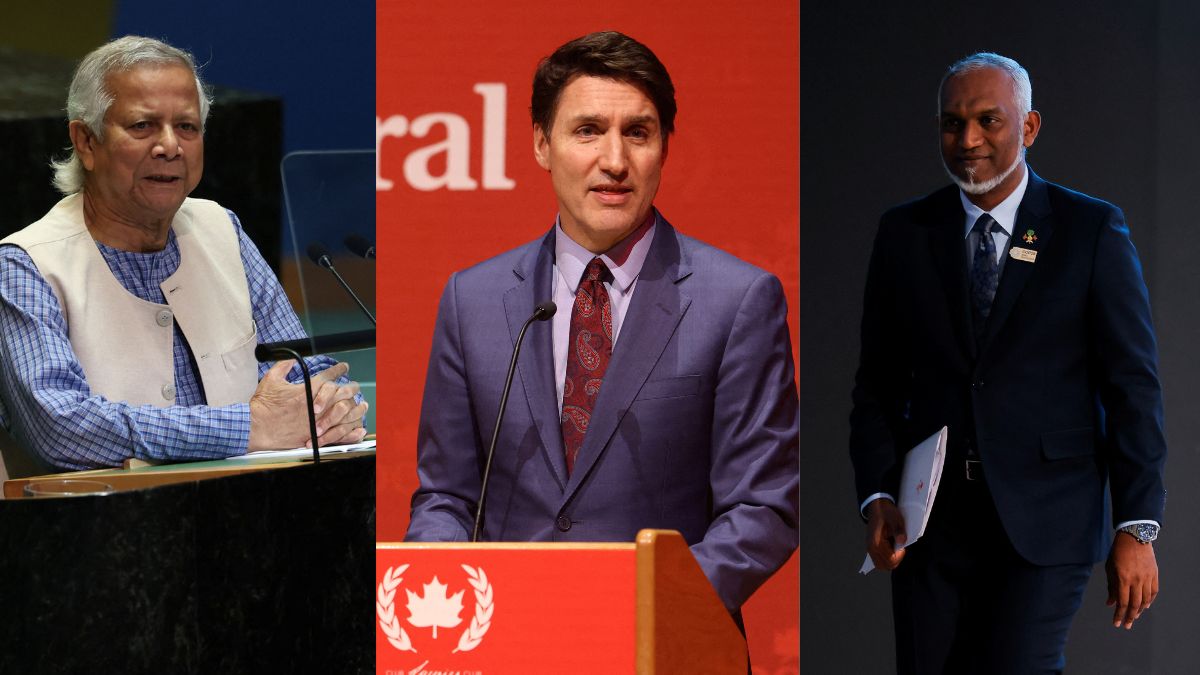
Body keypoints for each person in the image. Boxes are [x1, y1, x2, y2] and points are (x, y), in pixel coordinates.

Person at [405, 31, 798, 613]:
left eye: (637, 133)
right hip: (510, 634)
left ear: (665, 145)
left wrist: (641, 604)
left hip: (662, 637)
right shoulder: (474, 300)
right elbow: (446, 497)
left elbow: (763, 508)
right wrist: (448, 602)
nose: (614, 162)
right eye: (588, 130)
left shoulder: (738, 300)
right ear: (541, 143)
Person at [849, 52, 1166, 674]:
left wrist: (1137, 525)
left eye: (988, 121)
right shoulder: (905, 232)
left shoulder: (1090, 230)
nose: (967, 141)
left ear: (1030, 127)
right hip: (930, 526)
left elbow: (1133, 387)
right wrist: (878, 493)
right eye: (951, 123)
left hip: (1046, 521)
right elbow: (876, 383)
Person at [0, 36, 368, 475]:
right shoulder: (25, 264)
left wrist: (333, 405)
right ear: (86, 141)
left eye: (187, 127)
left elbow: (301, 369)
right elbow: (60, 428)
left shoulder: (221, 228)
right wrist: (248, 428)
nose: (170, 146)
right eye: (143, 126)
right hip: (100, 530)